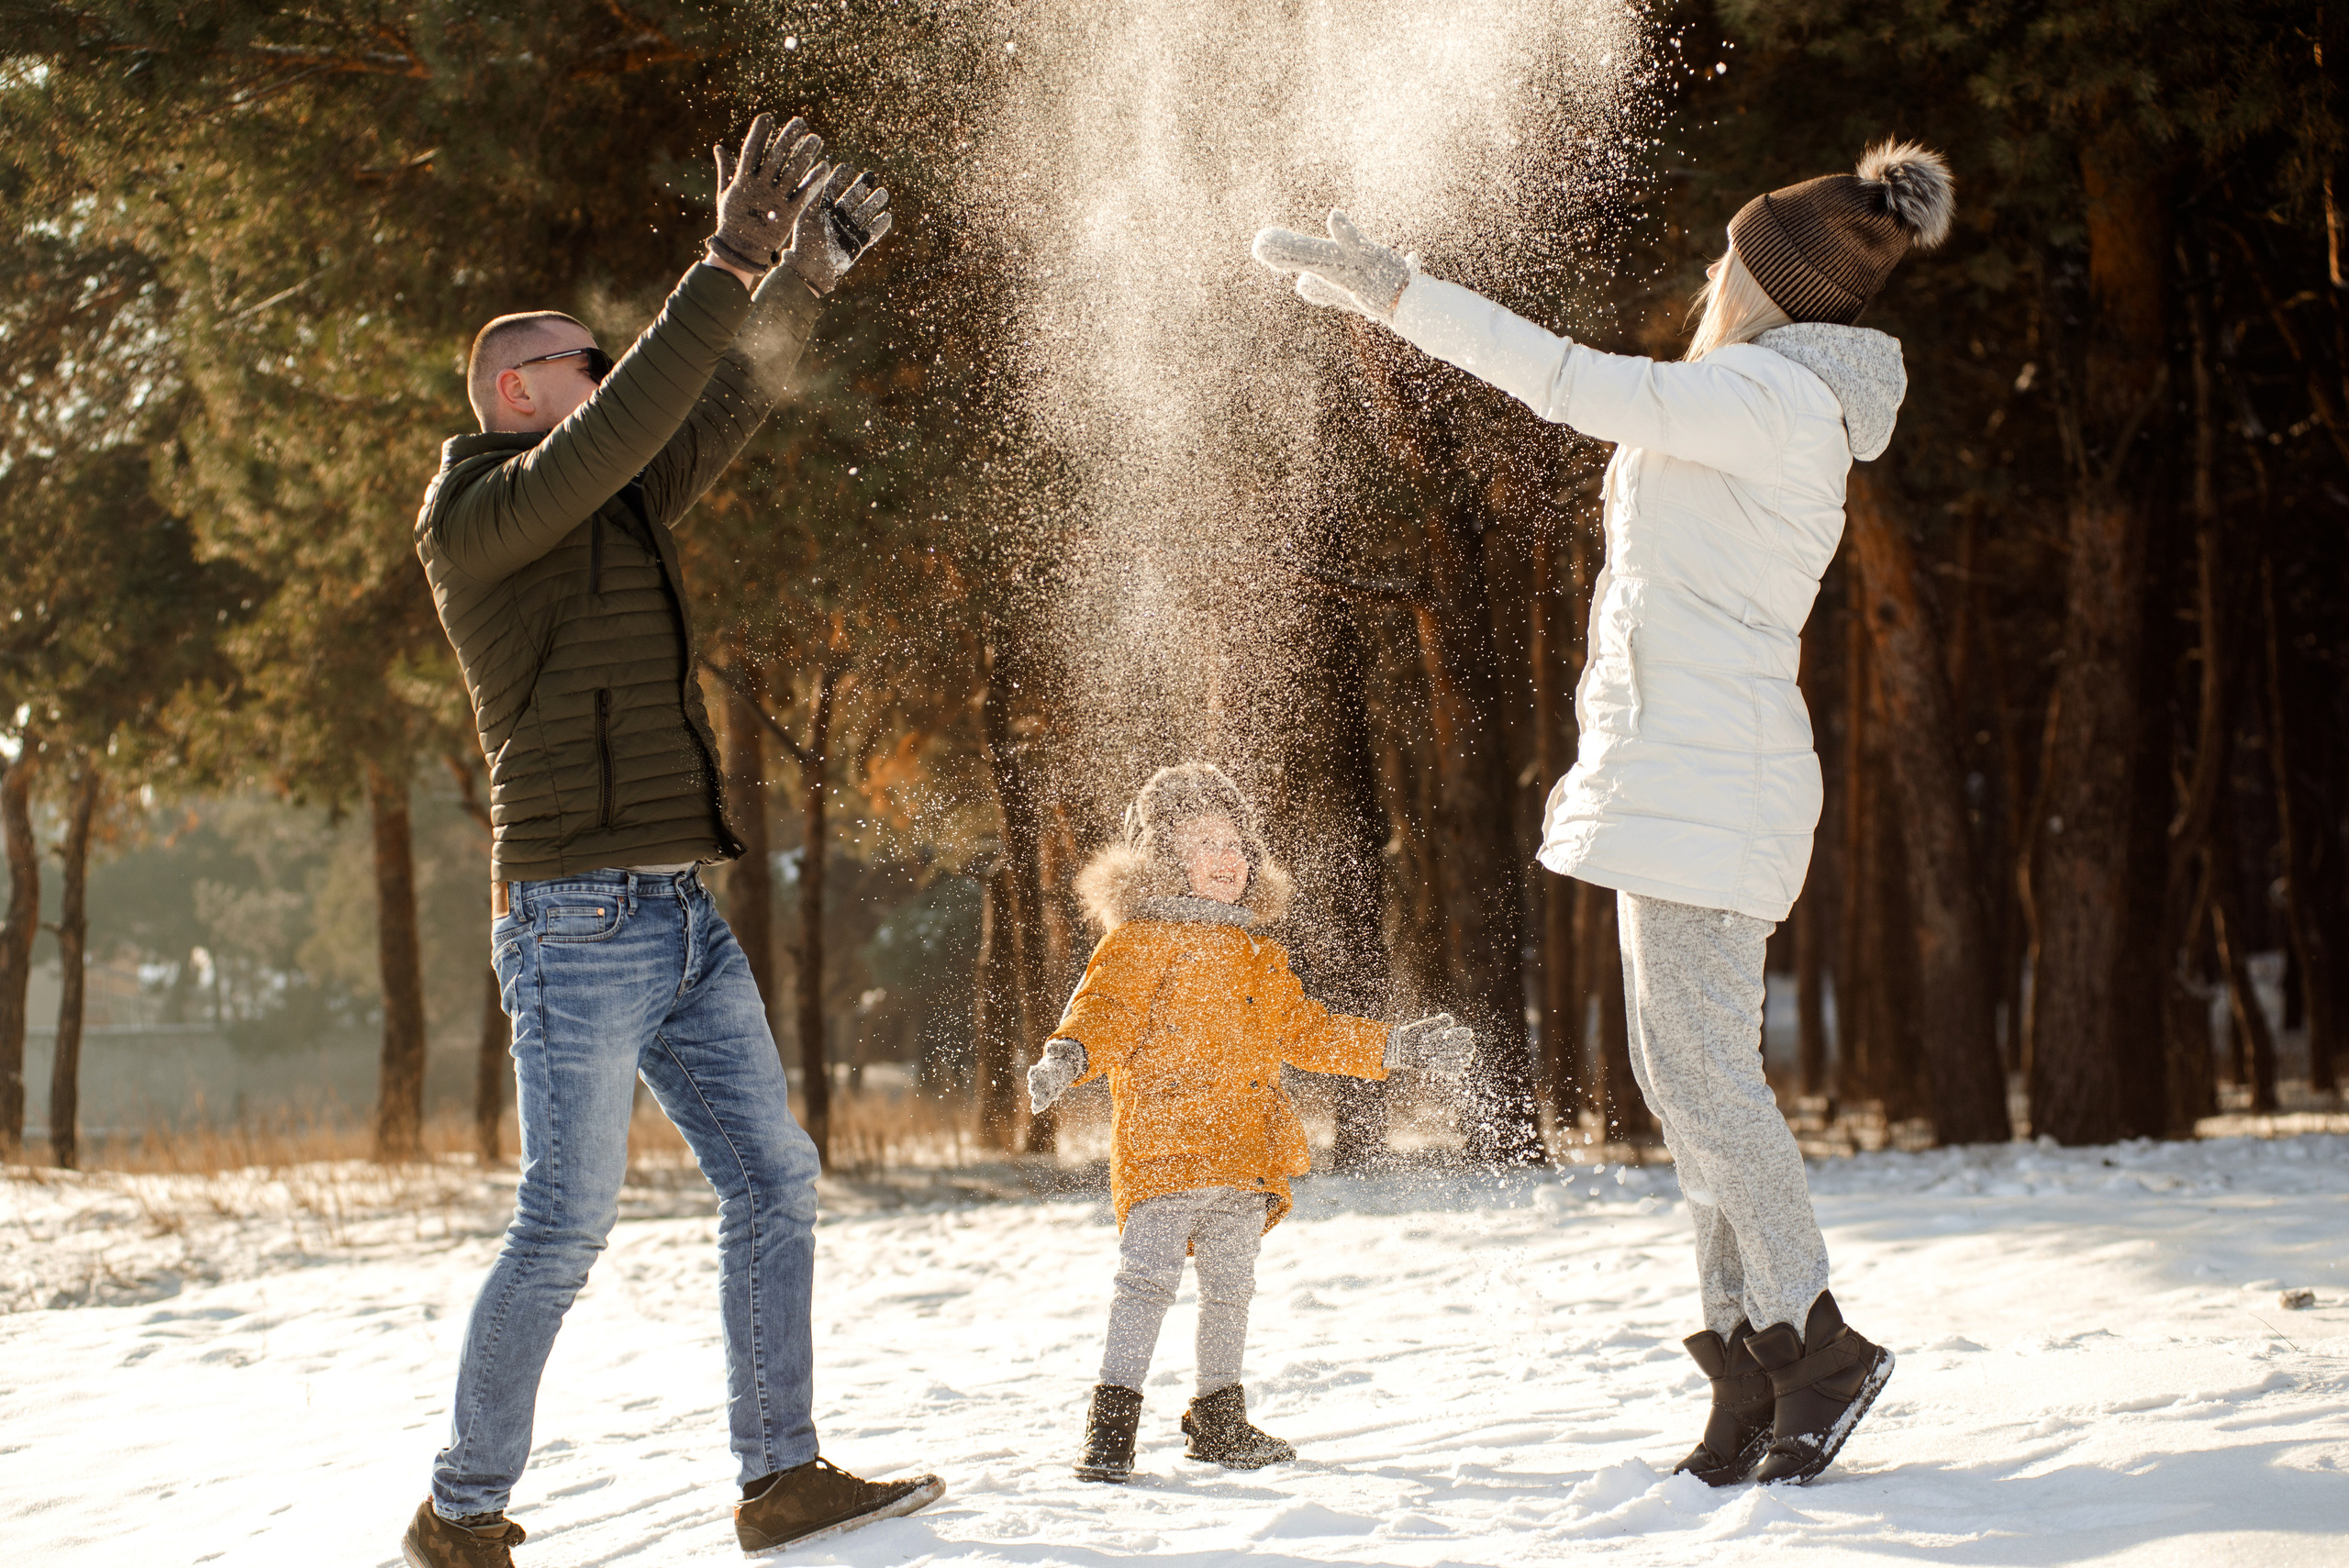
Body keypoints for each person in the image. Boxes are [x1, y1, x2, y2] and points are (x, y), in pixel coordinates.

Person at [1253, 141, 1956, 1486]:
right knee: (1682, 1082)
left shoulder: (1766, 396)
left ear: (1765, 282)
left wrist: (1397, 292)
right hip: (1679, 777)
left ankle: (1818, 1341)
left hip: (1714, 781)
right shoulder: (1746, 395)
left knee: (1702, 1078)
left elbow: (1570, 384)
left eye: (1728, 255)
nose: (1709, 269)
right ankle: (1751, 1358)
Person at [402, 113, 938, 1567]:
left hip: (675, 913)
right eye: (585, 357)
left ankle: (782, 1478)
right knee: (564, 1230)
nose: (608, 365)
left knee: (774, 1178)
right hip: (575, 920)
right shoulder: (479, 517)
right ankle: (458, 1518)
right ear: (524, 393)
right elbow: (639, 415)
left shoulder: (609, 508)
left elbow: (712, 408)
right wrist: (726, 256)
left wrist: (801, 281)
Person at [1026, 762, 1478, 1484]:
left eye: (1237, 842)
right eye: (1207, 841)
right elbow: (1102, 1012)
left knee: (1230, 1288)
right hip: (1164, 1153)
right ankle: (1111, 1427)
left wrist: (1393, 1046)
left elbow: (1309, 1031)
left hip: (1243, 1157)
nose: (1230, 857)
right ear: (1165, 858)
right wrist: (1068, 1055)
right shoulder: (1140, 940)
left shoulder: (1258, 954)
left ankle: (1218, 1416)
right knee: (1144, 1284)